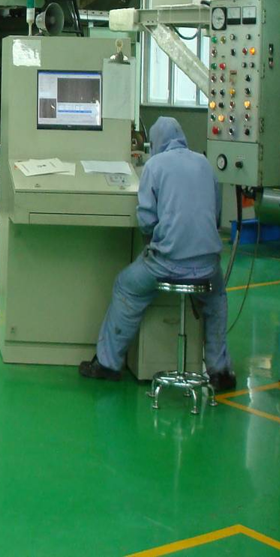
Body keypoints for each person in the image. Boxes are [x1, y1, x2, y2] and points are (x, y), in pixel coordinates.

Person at [80, 117, 235, 391]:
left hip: (167, 264)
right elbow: (215, 214)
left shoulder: (154, 166)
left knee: (126, 286)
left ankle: (108, 363)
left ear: (155, 142)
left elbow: (147, 220)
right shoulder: (204, 164)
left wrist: (156, 242)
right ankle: (219, 371)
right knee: (216, 300)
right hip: (208, 265)